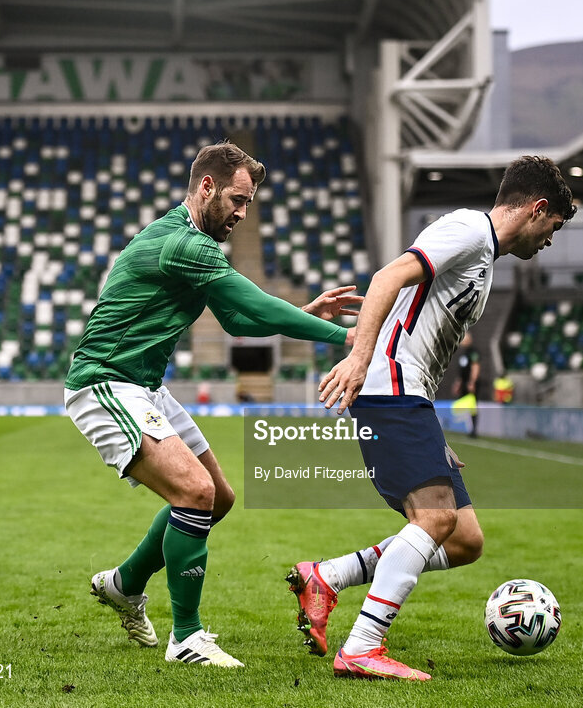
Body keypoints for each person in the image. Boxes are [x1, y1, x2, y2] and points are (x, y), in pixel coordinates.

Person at [65, 142, 361, 669]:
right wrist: (348, 338)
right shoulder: (180, 242)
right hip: (105, 383)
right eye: (238, 199)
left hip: (146, 387)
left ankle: (123, 584)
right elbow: (251, 304)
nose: (243, 214)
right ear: (206, 186)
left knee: (217, 498)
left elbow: (240, 322)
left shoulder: (195, 244)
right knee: (194, 492)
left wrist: (299, 313)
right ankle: (187, 638)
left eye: (248, 204)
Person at [288, 155, 575, 682]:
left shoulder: (482, 258)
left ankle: (327, 576)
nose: (550, 240)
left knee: (464, 540)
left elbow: (415, 315)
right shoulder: (468, 229)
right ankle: (363, 647)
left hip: (409, 396)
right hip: (389, 387)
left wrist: (433, 432)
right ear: (537, 209)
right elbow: (388, 276)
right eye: (554, 227)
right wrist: (358, 359)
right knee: (435, 520)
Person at [452, 331, 481, 437]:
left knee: (472, 407)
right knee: (463, 406)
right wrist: (458, 383)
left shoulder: (473, 352)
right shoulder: (463, 354)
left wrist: (472, 382)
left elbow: (475, 367)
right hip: (464, 383)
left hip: (470, 383)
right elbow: (462, 371)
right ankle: (464, 427)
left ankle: (473, 430)